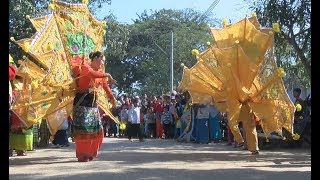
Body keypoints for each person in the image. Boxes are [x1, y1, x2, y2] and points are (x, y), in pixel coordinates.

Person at [71, 51, 117, 162]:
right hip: (82, 104)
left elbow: (105, 86)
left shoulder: (100, 73)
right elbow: (92, 74)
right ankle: (82, 155)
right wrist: (107, 74)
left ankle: (90, 152)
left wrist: (112, 98)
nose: (102, 63)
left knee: (97, 130)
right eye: (102, 60)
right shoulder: (85, 68)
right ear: (95, 59)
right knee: (84, 131)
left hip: (93, 104)